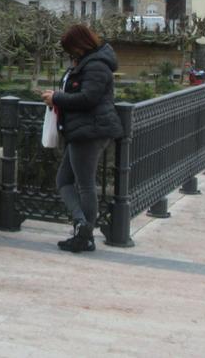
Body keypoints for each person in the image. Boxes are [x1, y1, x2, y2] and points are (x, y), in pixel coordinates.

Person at [41, 24, 123, 254]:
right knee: (64, 180)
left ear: (80, 44)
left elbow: (88, 98)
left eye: (71, 48)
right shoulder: (87, 61)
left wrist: (57, 97)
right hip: (82, 129)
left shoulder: (96, 65)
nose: (70, 54)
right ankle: (82, 228)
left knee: (84, 185)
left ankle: (85, 233)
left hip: (91, 131)